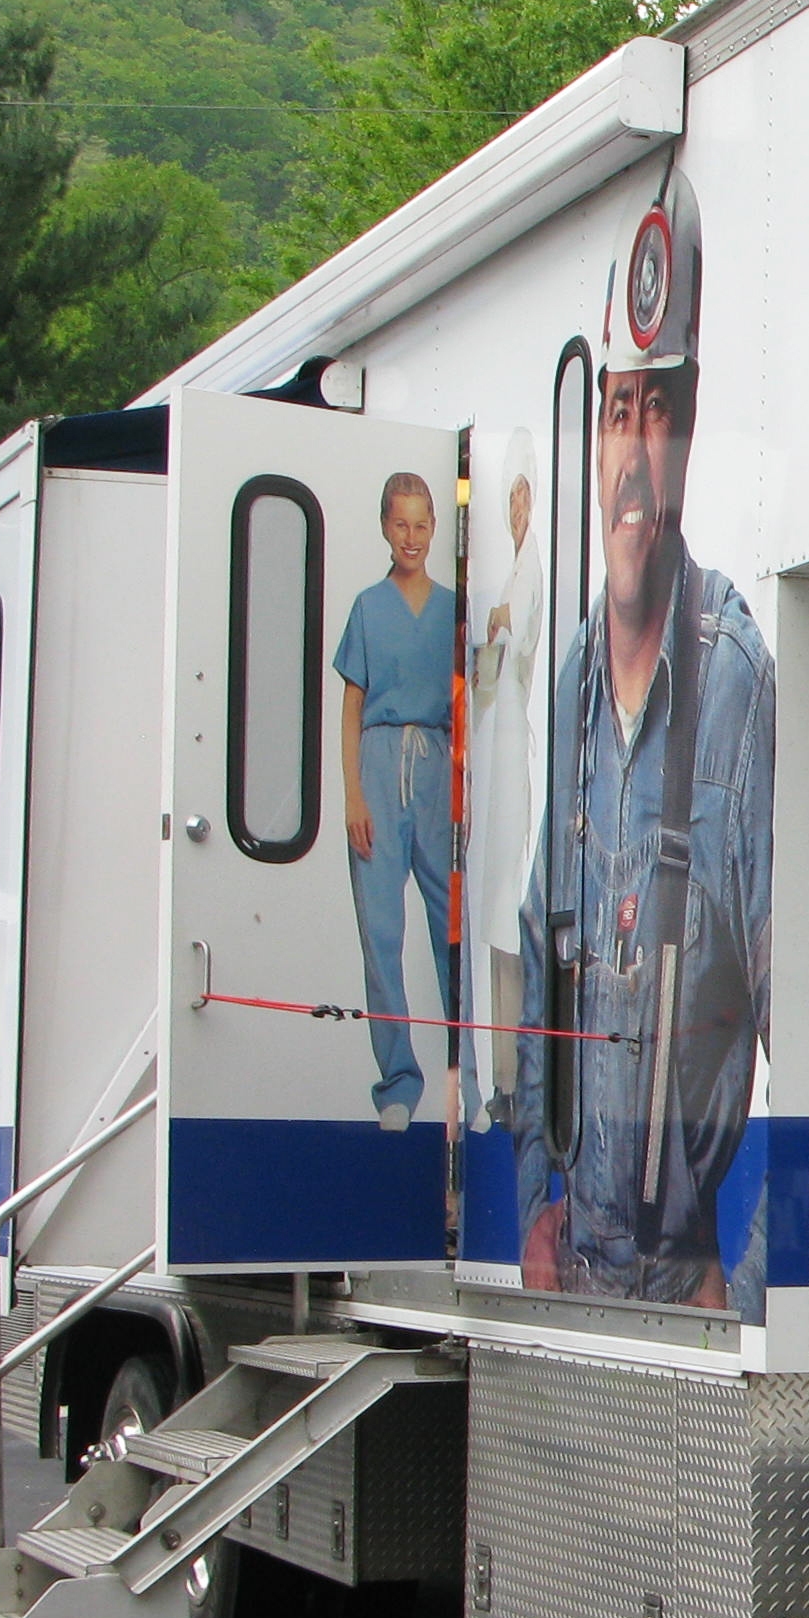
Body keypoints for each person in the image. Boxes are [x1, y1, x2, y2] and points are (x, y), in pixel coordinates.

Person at [507, 166, 775, 1317]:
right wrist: (530, 1197)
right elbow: (535, 955)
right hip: (575, 1262)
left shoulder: (735, 680)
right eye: (619, 409)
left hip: (683, 1271)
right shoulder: (568, 678)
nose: (635, 449)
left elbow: (796, 1008)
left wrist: (751, 1275)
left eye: (660, 412)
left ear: (693, 430)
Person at [336, 469, 460, 1130]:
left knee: (452, 927)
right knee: (381, 930)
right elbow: (350, 707)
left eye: (422, 524)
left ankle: (465, 1070)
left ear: (435, 527)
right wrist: (354, 794)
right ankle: (398, 1081)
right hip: (380, 766)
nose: (411, 537)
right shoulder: (366, 607)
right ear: (386, 527)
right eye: (400, 524)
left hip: (436, 765)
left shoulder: (451, 607)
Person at [467, 432, 550, 1111]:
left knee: (509, 904)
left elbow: (513, 640)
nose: (518, 510)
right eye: (511, 498)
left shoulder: (531, 574)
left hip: (512, 753)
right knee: (492, 897)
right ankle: (498, 1071)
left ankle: (518, 1069)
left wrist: (497, 625)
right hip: (493, 748)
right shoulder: (507, 576)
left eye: (525, 495)